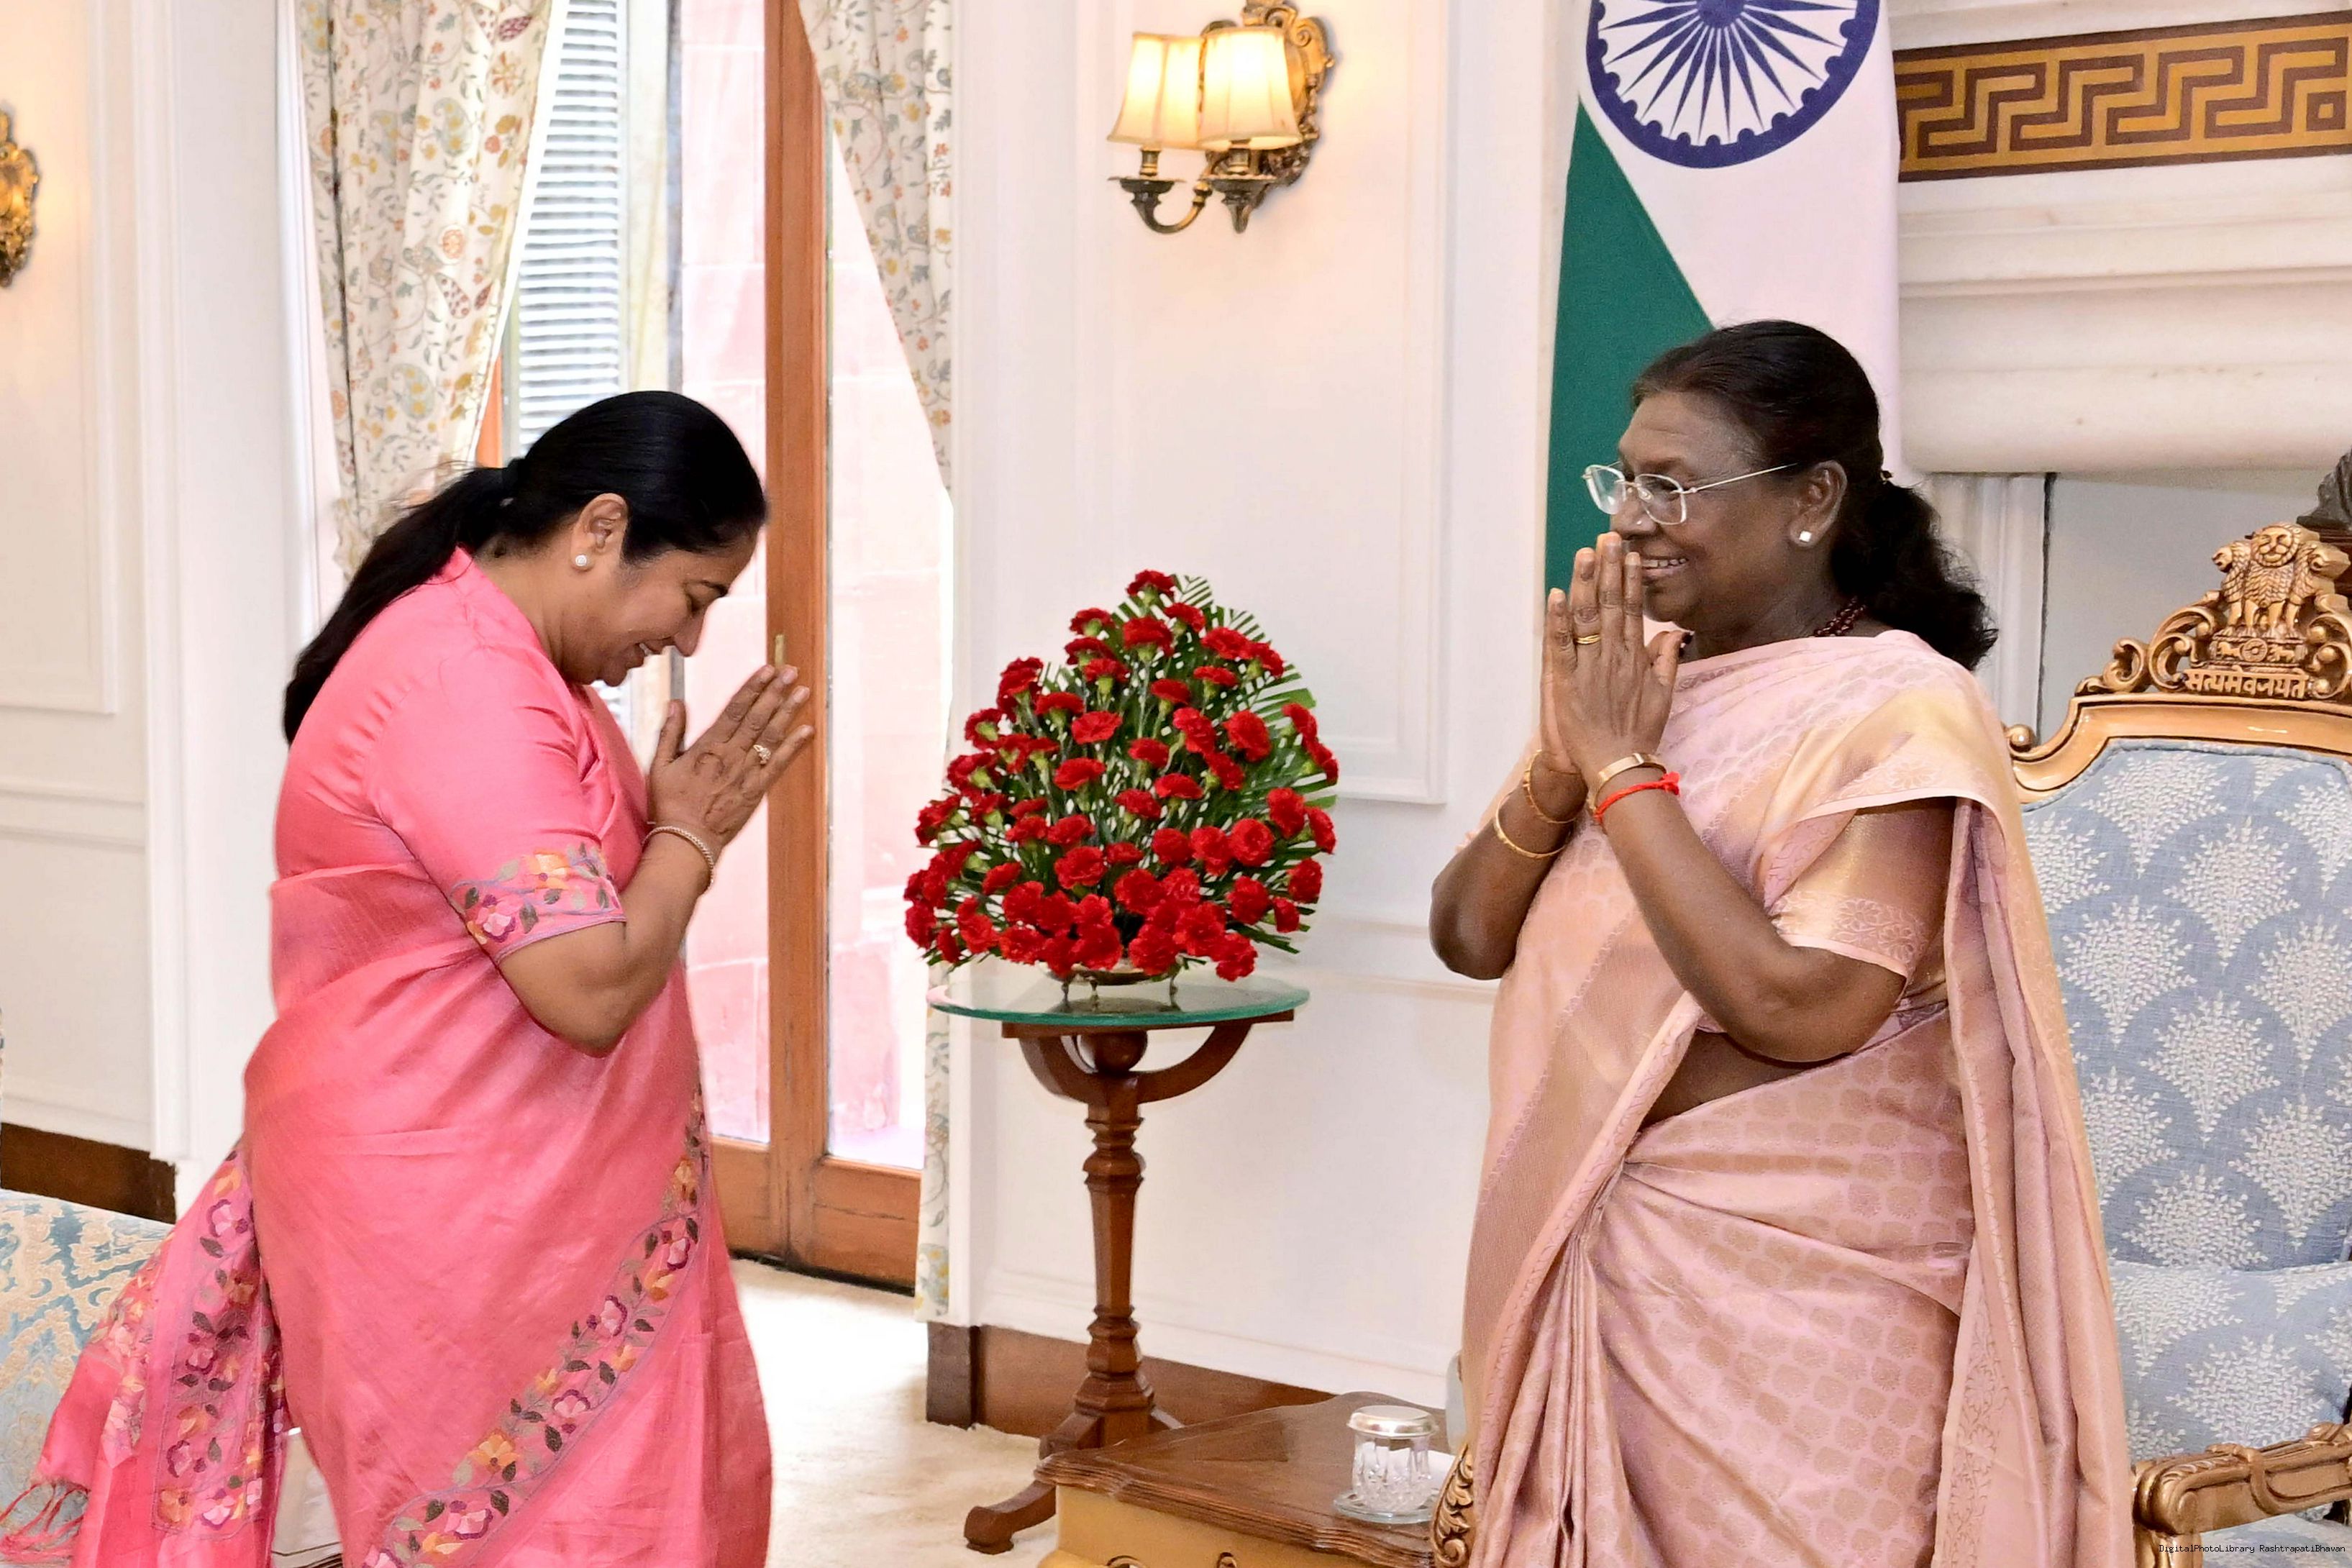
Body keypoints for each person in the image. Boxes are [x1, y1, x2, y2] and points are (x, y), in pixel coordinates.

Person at [1, 391, 808, 1567]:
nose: (688, 640)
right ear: (599, 528)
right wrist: (690, 834)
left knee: (640, 1515)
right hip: (453, 1216)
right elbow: (586, 991)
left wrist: (678, 830)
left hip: (524, 1203)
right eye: (695, 595)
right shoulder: (463, 683)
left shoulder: (515, 668)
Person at [1428, 322, 2130, 1567]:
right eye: (1621, 480)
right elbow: (1468, 932)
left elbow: (1803, 1008)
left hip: (1794, 1312)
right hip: (1602, 1247)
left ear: (1810, 500)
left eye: (1672, 487)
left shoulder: (1896, 710)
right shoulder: (1642, 684)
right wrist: (1569, 753)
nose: (1631, 520)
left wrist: (1622, 770)